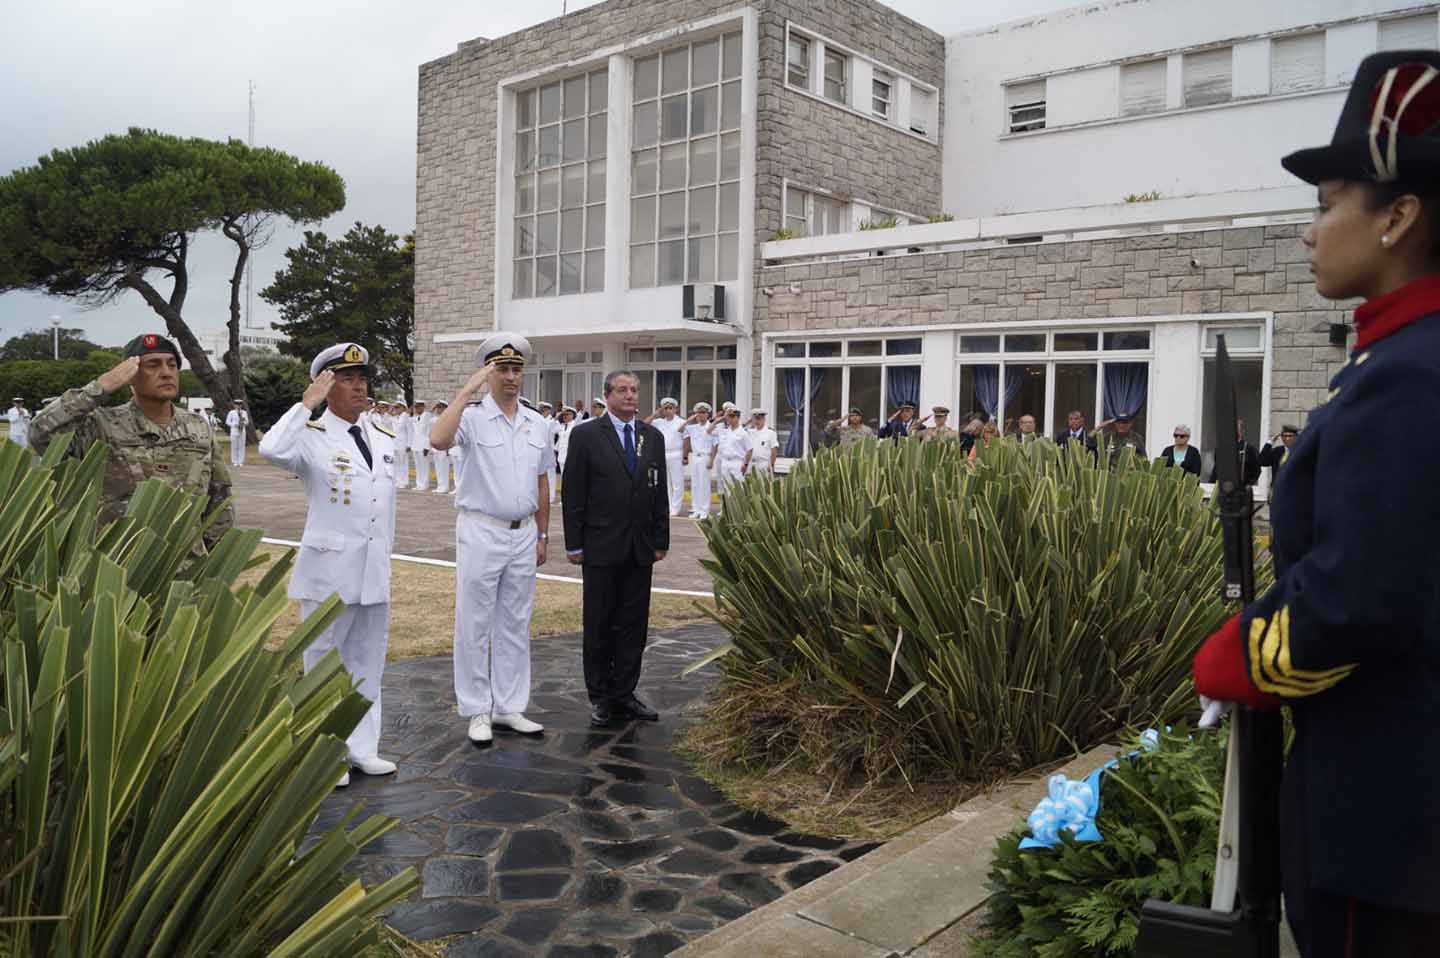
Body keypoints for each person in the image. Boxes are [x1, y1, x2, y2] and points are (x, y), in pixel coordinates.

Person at [1193, 50, 1440, 956]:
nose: (1310, 230)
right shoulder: (1392, 361)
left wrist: (1237, 657)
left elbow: (1360, 598)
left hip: (1390, 818)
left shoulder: (1410, 378)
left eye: (1329, 201)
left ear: (1398, 217)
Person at [256, 343, 399, 787]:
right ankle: (323, 754)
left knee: (367, 663)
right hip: (329, 572)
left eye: (362, 379)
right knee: (324, 664)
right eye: (346, 379)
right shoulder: (311, 437)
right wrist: (306, 404)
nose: (358, 387)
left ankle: (362, 748)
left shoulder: (383, 437)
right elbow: (270, 449)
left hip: (373, 570)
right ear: (326, 384)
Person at [430, 335, 550, 746]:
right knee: (475, 621)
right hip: (482, 528)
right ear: (489, 372)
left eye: (517, 369)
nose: (511, 377)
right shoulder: (472, 416)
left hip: (524, 531)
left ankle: (509, 706)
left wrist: (544, 533)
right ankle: (477, 707)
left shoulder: (538, 423)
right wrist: (466, 391)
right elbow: (438, 440)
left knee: (515, 621)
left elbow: (542, 481)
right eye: (502, 369)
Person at [30, 334, 234, 550]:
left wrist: (211, 561)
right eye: (153, 365)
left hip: (181, 567)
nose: (166, 372)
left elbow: (219, 497)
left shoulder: (198, 427)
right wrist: (99, 388)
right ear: (130, 376)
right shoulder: (101, 425)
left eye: (172, 365)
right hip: (116, 566)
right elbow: (40, 434)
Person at [561, 370, 670, 728]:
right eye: (622, 390)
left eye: (635, 390)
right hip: (600, 544)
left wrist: (660, 539)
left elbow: (659, 490)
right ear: (606, 396)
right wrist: (574, 543)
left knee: (633, 624)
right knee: (600, 623)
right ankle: (601, 696)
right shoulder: (586, 435)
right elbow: (574, 492)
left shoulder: (650, 437)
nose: (630, 396)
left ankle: (625, 692)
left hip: (639, 548)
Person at [647, 398, 687, 516]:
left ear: (675, 409)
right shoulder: (659, 421)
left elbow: (686, 440)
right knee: (665, 483)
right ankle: (668, 506)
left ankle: (676, 508)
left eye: (670, 408)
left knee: (677, 483)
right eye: (666, 408)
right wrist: (655, 413)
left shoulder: (681, 422)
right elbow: (645, 424)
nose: (668, 411)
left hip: (676, 453)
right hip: (663, 453)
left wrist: (685, 456)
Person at [682, 402, 717, 519]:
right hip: (695, 457)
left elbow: (715, 445)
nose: (701, 415)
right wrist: (689, 419)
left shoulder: (711, 427)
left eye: (703, 413)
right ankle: (696, 509)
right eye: (699, 413)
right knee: (695, 484)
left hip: (705, 456)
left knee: (704, 485)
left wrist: (712, 460)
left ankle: (704, 510)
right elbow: (680, 429)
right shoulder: (692, 428)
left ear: (708, 414)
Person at [1206, 419, 1262, 486]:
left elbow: (1257, 471)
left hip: (1240, 491)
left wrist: (1248, 485)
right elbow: (1216, 470)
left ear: (1242, 432)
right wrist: (1210, 486)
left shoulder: (1249, 449)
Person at [710, 407, 751, 491]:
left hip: (737, 463)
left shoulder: (743, 433)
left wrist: (745, 464)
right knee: (726, 488)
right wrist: (721, 418)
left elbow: (749, 450)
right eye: (728, 416)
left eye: (732, 416)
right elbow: (708, 430)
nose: (730, 419)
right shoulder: (724, 431)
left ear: (738, 418)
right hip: (725, 462)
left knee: (738, 488)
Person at [431, 399, 455, 495]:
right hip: (435, 446)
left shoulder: (449, 419)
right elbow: (430, 433)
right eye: (438, 407)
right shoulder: (433, 419)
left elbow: (450, 434)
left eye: (440, 407)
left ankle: (444, 487)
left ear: (445, 408)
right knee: (438, 467)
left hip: (444, 446)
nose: (438, 409)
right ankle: (440, 486)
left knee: (444, 467)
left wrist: (449, 447)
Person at [411, 400, 434, 491]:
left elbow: (429, 432)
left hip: (423, 445)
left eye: (418, 407)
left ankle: (424, 484)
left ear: (423, 407)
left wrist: (427, 446)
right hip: (415, 445)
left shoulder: (427, 416)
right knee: (418, 466)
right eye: (415, 407)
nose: (416, 409)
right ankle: (419, 484)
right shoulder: (416, 417)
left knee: (424, 466)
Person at [394, 402, 414, 489]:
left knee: (403, 463)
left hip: (403, 443)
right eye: (395, 407)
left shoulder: (406, 417)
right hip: (395, 443)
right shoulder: (395, 417)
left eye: (398, 407)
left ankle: (404, 481)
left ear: (403, 408)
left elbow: (410, 431)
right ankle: (398, 480)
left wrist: (409, 444)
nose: (396, 409)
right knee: (397, 463)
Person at [555, 406, 577, 481]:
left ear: (572, 415)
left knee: (572, 479)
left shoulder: (575, 425)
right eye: (564, 415)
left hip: (571, 457)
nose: (565, 416)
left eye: (567, 414)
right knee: (563, 479)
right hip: (561, 457)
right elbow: (552, 429)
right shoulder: (561, 426)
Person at [225, 399, 249, 467]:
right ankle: (234, 461)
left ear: (241, 405)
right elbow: (227, 422)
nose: (238, 406)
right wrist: (234, 424)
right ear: (234, 405)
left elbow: (247, 421)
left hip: (242, 431)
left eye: (240, 405)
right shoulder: (231, 412)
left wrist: (243, 423)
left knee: (241, 446)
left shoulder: (244, 412)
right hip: (234, 431)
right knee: (234, 447)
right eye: (237, 404)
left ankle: (240, 461)